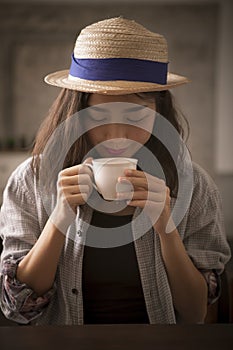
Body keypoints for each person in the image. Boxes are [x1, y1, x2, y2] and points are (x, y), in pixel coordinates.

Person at [0, 17, 231, 325]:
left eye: (136, 116)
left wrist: (166, 228)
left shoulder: (194, 184)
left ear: (158, 112)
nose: (118, 135)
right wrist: (58, 219)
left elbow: (196, 312)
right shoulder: (30, 180)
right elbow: (18, 308)